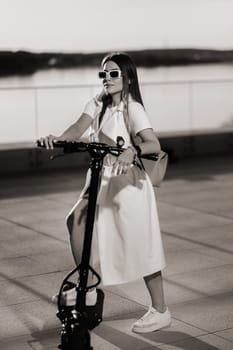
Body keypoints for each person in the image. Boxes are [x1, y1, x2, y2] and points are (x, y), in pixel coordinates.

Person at [39, 52, 171, 333]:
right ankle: (86, 287)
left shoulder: (132, 108)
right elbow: (77, 128)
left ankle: (161, 310)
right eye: (103, 74)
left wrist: (132, 150)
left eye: (113, 74)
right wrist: (56, 139)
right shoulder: (97, 103)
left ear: (127, 77)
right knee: (76, 221)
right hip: (100, 177)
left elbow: (153, 143)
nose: (107, 79)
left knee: (140, 243)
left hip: (127, 181)